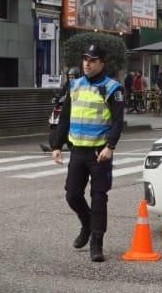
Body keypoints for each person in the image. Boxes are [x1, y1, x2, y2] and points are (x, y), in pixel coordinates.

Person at [50, 44, 126, 262]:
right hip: (78, 150)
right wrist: (57, 145)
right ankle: (87, 223)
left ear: (101, 63)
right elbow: (65, 117)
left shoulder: (112, 88)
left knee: (99, 198)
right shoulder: (74, 86)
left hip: (99, 152)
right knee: (72, 195)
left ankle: (96, 243)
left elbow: (118, 121)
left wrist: (110, 146)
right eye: (85, 59)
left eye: (92, 60)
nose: (87, 63)